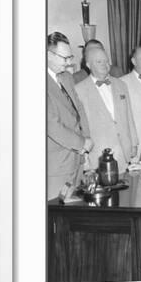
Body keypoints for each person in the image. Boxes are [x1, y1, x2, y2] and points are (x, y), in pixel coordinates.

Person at [75, 43, 138, 173]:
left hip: (123, 152)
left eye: (106, 61)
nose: (105, 65)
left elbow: (129, 116)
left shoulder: (121, 85)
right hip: (98, 155)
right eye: (99, 62)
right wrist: (84, 155)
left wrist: (134, 143)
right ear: (88, 65)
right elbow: (79, 126)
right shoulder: (79, 90)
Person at [46, 32, 93, 200]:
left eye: (70, 57)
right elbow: (51, 125)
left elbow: (79, 110)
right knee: (55, 216)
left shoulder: (67, 78)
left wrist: (87, 141)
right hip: (57, 165)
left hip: (77, 160)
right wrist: (80, 143)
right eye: (64, 58)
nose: (69, 63)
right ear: (48, 55)